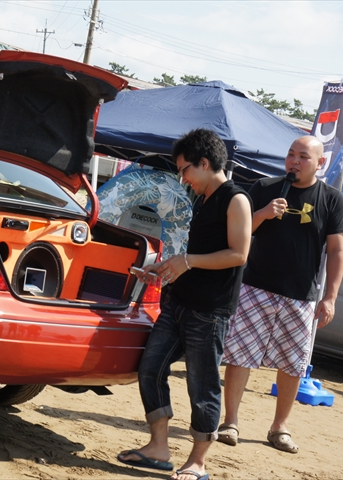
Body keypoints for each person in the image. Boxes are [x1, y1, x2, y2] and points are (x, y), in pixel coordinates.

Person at [118, 129, 253, 480]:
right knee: (150, 369)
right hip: (179, 302)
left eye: (184, 170)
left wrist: (187, 262)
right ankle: (158, 448)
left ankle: (197, 462)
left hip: (209, 312)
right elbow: (196, 255)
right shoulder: (203, 198)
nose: (183, 178)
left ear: (204, 163)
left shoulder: (236, 199)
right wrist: (166, 269)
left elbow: (239, 254)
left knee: (202, 386)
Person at [217, 135, 343, 454]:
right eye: (291, 154)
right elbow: (236, 232)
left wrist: (330, 297)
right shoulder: (264, 188)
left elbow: (336, 250)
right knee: (240, 356)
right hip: (254, 288)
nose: (294, 161)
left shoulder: (332, 199)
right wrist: (262, 213)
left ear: (320, 163)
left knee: (292, 364)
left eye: (303, 156)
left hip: (301, 296)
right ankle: (230, 422)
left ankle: (280, 428)